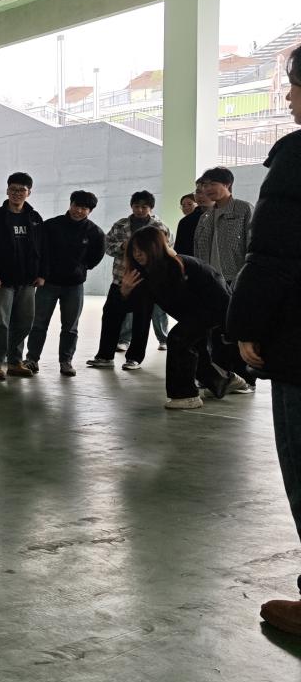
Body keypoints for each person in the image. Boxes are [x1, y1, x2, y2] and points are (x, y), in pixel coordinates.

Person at [226, 45, 301, 633]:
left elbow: (274, 254)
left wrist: (246, 327)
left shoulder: (297, 158)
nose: (289, 97)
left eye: (293, 86)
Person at [120, 226, 246, 410]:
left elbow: (217, 295)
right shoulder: (143, 273)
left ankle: (186, 395)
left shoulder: (177, 265)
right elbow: (138, 308)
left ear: (154, 247)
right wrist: (125, 292)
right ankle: (224, 381)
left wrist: (229, 325)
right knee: (193, 347)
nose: (137, 254)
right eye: (134, 250)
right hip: (192, 313)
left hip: (215, 307)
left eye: (142, 249)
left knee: (178, 339)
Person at [23, 190, 105, 377]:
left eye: (84, 208)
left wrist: (80, 269)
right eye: (76, 206)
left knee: (70, 326)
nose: (79, 211)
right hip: (47, 283)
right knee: (38, 323)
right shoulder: (51, 225)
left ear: (90, 211)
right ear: (70, 204)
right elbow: (39, 250)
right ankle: (32, 359)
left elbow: (95, 257)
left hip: (74, 286)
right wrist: (41, 273)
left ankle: (66, 361)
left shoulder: (95, 232)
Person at [87, 191, 169, 371]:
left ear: (151, 208)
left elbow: (167, 250)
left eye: (144, 207)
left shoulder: (159, 227)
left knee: (141, 320)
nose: (140, 210)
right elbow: (107, 246)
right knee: (110, 316)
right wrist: (123, 246)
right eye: (136, 206)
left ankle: (134, 358)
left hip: (146, 282)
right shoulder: (121, 225)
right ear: (131, 206)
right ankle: (105, 356)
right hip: (120, 279)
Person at [0, 172, 45, 381]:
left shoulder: (34, 218)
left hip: (27, 281)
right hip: (3, 281)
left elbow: (43, 248)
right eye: (13, 189)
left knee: (24, 322)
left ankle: (15, 362)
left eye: (21, 190)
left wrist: (42, 273)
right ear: (7, 190)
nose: (17, 193)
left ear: (29, 192)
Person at [193, 166, 253, 288]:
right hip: (210, 279)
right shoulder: (205, 217)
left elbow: (253, 245)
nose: (208, 189)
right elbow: (197, 250)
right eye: (205, 185)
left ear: (227, 184)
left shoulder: (243, 209)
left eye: (213, 184)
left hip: (236, 279)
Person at [173, 190, 203, 257]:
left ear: (197, 204)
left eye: (190, 204)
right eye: (183, 206)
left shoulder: (203, 218)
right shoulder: (183, 222)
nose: (186, 207)